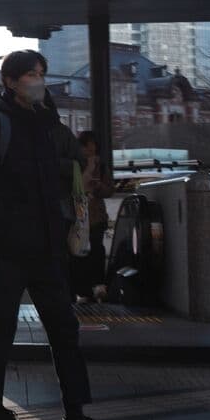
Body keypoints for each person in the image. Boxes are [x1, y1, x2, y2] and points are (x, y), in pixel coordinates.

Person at [0, 50, 116, 420]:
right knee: (3, 326)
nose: (38, 79)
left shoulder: (47, 126)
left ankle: (76, 414)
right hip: (9, 247)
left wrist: (62, 220)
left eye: (42, 73)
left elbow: (65, 173)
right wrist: (3, 225)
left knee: (64, 328)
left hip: (48, 246)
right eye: (30, 74)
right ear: (10, 81)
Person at [69, 130, 114, 303]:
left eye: (93, 146)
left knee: (96, 251)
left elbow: (109, 190)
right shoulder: (75, 165)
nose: (91, 149)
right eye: (87, 146)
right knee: (78, 254)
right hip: (79, 217)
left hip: (97, 217)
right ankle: (81, 288)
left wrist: (99, 186)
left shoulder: (101, 167)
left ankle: (96, 288)